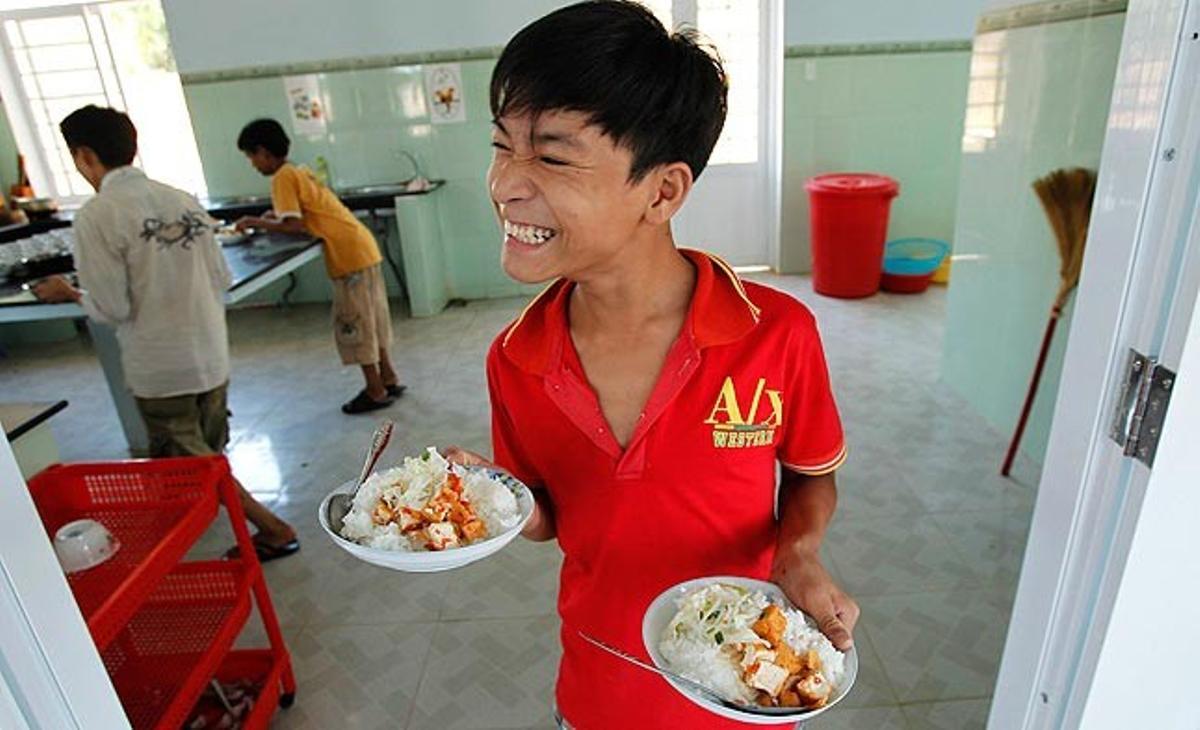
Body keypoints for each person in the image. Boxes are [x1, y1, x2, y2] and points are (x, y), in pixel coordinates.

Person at [443, 2, 860, 727]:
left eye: (550, 154)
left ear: (662, 191)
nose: (506, 182)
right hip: (600, 689)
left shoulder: (775, 333)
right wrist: (488, 504)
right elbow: (546, 516)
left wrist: (798, 550)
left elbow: (812, 470)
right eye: (501, 145)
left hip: (742, 680)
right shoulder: (516, 358)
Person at [33, 105, 299, 562]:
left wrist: (69, 293)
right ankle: (186, 526)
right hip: (210, 356)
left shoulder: (98, 214)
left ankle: (272, 528)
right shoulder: (181, 198)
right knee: (202, 454)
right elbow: (221, 277)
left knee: (200, 463)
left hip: (162, 369)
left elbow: (111, 307)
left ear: (83, 156)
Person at [234, 119, 404, 414]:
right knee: (373, 318)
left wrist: (254, 221)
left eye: (251, 157)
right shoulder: (299, 170)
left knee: (356, 323)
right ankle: (388, 378)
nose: (253, 164)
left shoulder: (282, 176)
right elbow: (305, 211)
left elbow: (294, 223)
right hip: (362, 247)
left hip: (348, 257)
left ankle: (375, 390)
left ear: (263, 151)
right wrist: (273, 216)